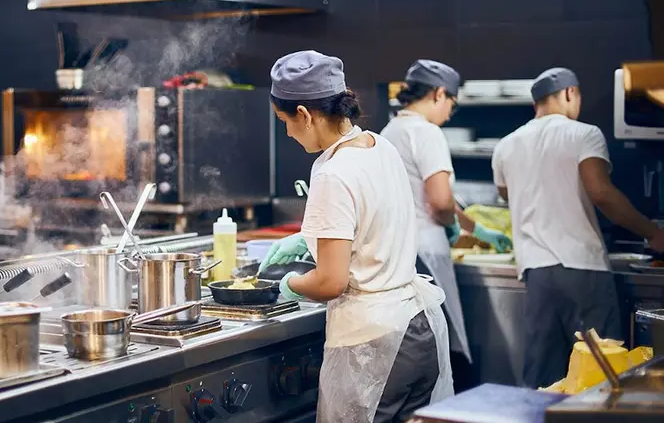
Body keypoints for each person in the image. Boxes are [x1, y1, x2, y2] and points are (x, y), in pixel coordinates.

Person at [259, 50, 453, 422]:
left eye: (284, 120)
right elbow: (372, 224)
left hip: (375, 345)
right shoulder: (380, 146)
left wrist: (288, 285)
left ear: (304, 114)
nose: (286, 131)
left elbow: (331, 282)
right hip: (418, 326)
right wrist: (309, 239)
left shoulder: (333, 171)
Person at [492, 67, 664, 389]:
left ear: (536, 103)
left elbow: (506, 194)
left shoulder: (506, 145)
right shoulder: (583, 133)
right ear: (570, 93)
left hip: (537, 273)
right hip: (582, 269)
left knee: (544, 377)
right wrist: (652, 233)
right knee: (600, 370)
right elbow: (600, 192)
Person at [380, 60, 513, 371]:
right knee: (440, 341)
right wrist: (450, 225)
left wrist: (475, 229)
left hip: (397, 250)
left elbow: (425, 196)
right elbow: (440, 202)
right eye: (452, 103)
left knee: (412, 344)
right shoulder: (427, 133)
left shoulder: (389, 131)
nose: (450, 113)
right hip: (427, 251)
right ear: (439, 94)